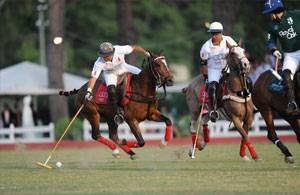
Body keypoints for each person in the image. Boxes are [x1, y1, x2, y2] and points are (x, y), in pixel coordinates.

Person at [85, 42, 150, 125]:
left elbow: (134, 48)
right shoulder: (99, 62)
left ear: (112, 53)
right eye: (102, 55)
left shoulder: (119, 49)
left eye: (106, 55)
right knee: (111, 90)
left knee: (143, 76)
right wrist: (89, 91)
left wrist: (145, 52)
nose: (104, 57)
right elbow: (93, 78)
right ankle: (117, 113)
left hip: (123, 67)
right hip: (110, 73)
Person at [262, 0, 300, 114]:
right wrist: (274, 50)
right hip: (290, 55)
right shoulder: (272, 26)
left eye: (270, 13)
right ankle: (292, 103)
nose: (270, 16)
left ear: (275, 12)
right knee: (286, 74)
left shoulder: (295, 14)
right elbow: (270, 41)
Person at [199, 22, 238, 122]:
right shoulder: (206, 47)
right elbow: (203, 63)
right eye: (213, 33)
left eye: (217, 33)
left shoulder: (228, 40)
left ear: (221, 33)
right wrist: (205, 75)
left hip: (228, 67)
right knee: (212, 86)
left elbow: (237, 52)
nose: (215, 35)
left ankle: (248, 99)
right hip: (214, 69)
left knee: (242, 78)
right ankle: (214, 110)